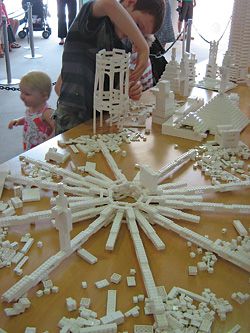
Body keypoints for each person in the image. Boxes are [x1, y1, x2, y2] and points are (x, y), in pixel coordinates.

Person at [54, 0, 166, 135]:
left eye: (142, 35)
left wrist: (129, 88)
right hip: (72, 120)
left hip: (100, 120)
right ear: (129, 2)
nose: (135, 35)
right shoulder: (92, 22)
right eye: (137, 25)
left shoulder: (124, 45)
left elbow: (114, 86)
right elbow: (108, 3)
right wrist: (142, 45)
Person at [8, 71, 55, 151]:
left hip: (42, 149)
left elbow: (57, 127)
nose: (22, 96)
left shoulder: (46, 112)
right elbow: (30, 119)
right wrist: (19, 121)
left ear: (44, 96)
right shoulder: (31, 108)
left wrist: (49, 141)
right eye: (21, 92)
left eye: (27, 94)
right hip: (29, 144)